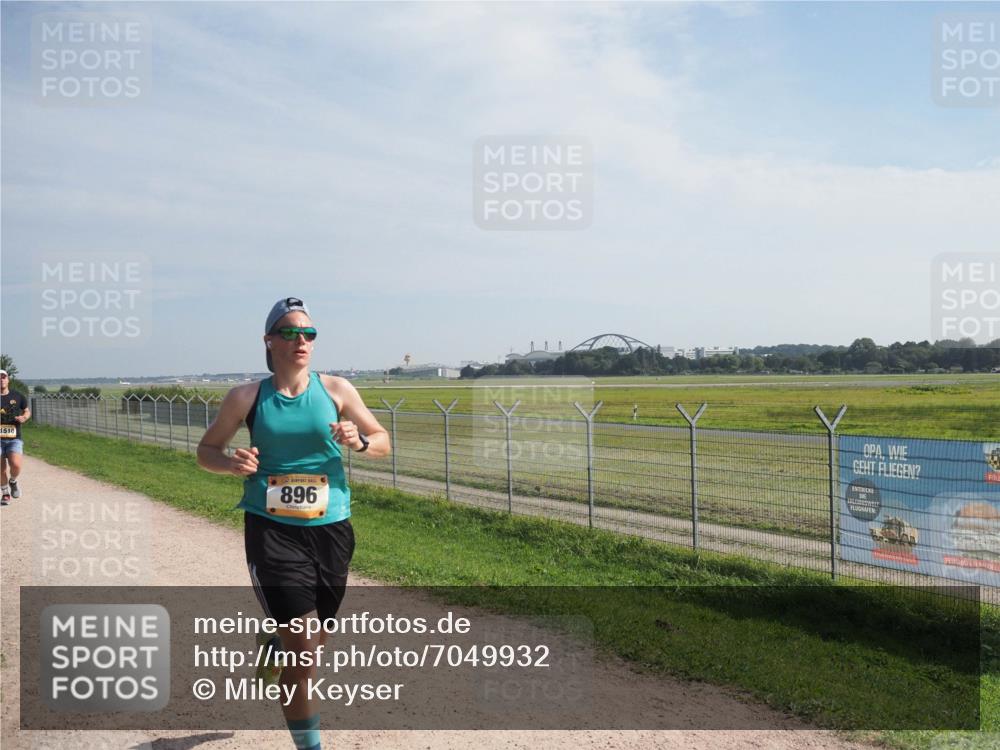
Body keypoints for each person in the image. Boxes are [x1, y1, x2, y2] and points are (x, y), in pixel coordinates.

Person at [196, 297, 389, 750]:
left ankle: (276, 645)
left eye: (308, 333)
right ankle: (310, 745)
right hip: (272, 528)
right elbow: (207, 451)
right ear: (269, 340)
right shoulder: (246, 397)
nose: (301, 339)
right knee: (303, 648)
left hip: (332, 528)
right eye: (289, 331)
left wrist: (358, 441)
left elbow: (382, 441)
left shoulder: (338, 390)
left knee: (310, 644)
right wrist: (232, 465)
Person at [1, 369, 31, 506]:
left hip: (14, 438)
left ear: (8, 379)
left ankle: (13, 481)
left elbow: (26, 410)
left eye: (3, 377)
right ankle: (5, 493)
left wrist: (24, 417)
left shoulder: (17, 396)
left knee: (16, 465)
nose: (1, 379)